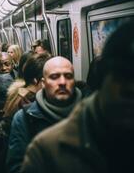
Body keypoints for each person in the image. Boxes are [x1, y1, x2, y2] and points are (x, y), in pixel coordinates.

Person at [21, 20, 134, 173]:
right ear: (102, 77)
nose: (130, 89)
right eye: (123, 76)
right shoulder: (45, 147)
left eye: (68, 76)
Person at [7, 56, 82, 173]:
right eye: (54, 77)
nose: (62, 82)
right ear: (43, 83)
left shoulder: (90, 113)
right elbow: (17, 167)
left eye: (68, 76)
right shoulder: (25, 118)